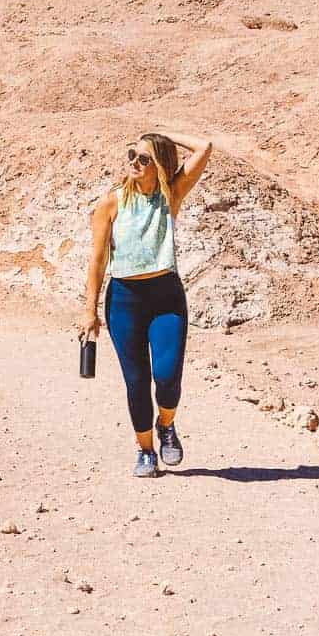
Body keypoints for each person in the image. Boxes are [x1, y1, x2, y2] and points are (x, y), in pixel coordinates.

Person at [79, 131, 213, 477]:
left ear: (160, 165)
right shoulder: (112, 202)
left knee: (166, 377)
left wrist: (161, 133)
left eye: (143, 158)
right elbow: (97, 259)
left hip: (166, 297)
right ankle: (145, 451)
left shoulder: (171, 195)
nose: (134, 164)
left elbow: (203, 147)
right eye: (131, 156)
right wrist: (88, 311)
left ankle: (166, 425)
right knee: (136, 382)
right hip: (124, 300)